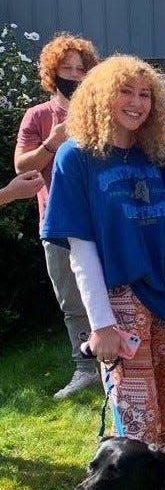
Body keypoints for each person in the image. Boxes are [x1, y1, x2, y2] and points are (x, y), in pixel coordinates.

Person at [41, 55, 165, 490]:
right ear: (99, 95)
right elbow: (81, 248)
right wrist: (101, 324)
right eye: (125, 92)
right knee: (137, 411)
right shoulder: (76, 157)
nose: (136, 103)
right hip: (120, 300)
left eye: (145, 94)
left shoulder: (155, 153)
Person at [14, 34, 99, 399]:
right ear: (52, 73)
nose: (75, 75)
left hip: (102, 222)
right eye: (67, 69)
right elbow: (21, 165)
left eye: (81, 69)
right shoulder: (38, 115)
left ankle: (120, 359)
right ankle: (85, 369)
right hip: (58, 222)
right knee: (72, 299)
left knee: (113, 291)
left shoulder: (101, 110)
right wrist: (54, 140)